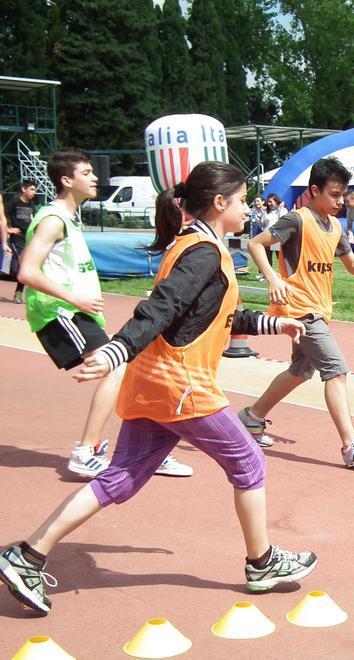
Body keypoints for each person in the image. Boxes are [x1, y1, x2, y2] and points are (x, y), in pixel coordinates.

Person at [0, 160, 317, 615]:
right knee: (248, 460)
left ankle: (26, 556)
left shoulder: (200, 246)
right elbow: (162, 309)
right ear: (219, 202)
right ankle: (262, 562)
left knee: (119, 479)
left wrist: (274, 323)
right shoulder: (202, 252)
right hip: (179, 384)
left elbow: (216, 316)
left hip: (156, 384)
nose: (249, 210)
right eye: (244, 201)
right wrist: (115, 350)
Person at [16, 149, 191, 478]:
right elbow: (27, 271)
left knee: (131, 367)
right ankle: (86, 451)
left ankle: (146, 449)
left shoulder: (69, 217)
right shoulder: (53, 220)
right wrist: (76, 300)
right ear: (67, 180)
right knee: (118, 367)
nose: (95, 177)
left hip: (74, 312)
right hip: (59, 313)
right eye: (86, 172)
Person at [242, 157, 354, 466]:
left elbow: (351, 265)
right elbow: (256, 244)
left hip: (318, 311)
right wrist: (272, 278)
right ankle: (351, 445)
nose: (341, 201)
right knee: (336, 370)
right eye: (334, 195)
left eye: (343, 195)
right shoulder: (297, 220)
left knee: (300, 371)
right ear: (314, 191)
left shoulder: (335, 226)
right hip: (301, 311)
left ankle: (251, 417)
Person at [4, 180, 37, 303]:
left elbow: (34, 220)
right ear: (24, 189)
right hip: (17, 240)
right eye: (32, 189)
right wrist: (9, 229)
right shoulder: (14, 202)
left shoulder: (31, 204)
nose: (35, 192)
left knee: (25, 266)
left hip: (28, 239)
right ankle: (18, 294)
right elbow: (2, 216)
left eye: (35, 190)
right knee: (23, 265)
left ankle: (21, 292)